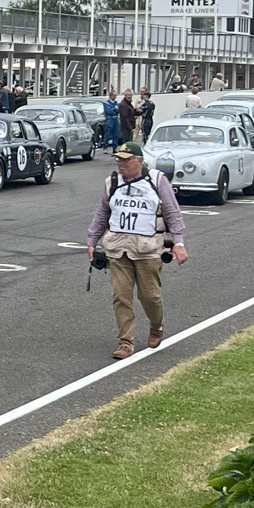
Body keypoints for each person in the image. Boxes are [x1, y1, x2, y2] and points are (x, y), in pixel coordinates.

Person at [86, 141, 186, 360]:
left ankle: (156, 325)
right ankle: (125, 342)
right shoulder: (111, 182)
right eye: (118, 160)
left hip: (148, 250)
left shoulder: (157, 181)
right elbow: (102, 213)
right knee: (121, 297)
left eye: (126, 160)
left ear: (139, 162)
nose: (121, 164)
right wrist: (92, 240)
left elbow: (172, 212)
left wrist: (178, 243)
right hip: (117, 249)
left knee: (150, 296)